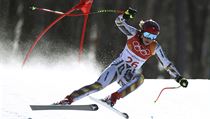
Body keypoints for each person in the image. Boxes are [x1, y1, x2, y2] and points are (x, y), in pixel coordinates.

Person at [55, 8, 188, 106]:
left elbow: (167, 64)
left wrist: (178, 77)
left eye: (153, 37)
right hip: (117, 68)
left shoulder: (155, 47)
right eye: (147, 35)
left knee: (140, 79)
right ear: (142, 32)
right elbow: (119, 22)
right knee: (98, 86)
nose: (149, 39)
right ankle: (69, 99)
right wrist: (125, 16)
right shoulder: (133, 34)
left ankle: (112, 98)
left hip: (128, 74)